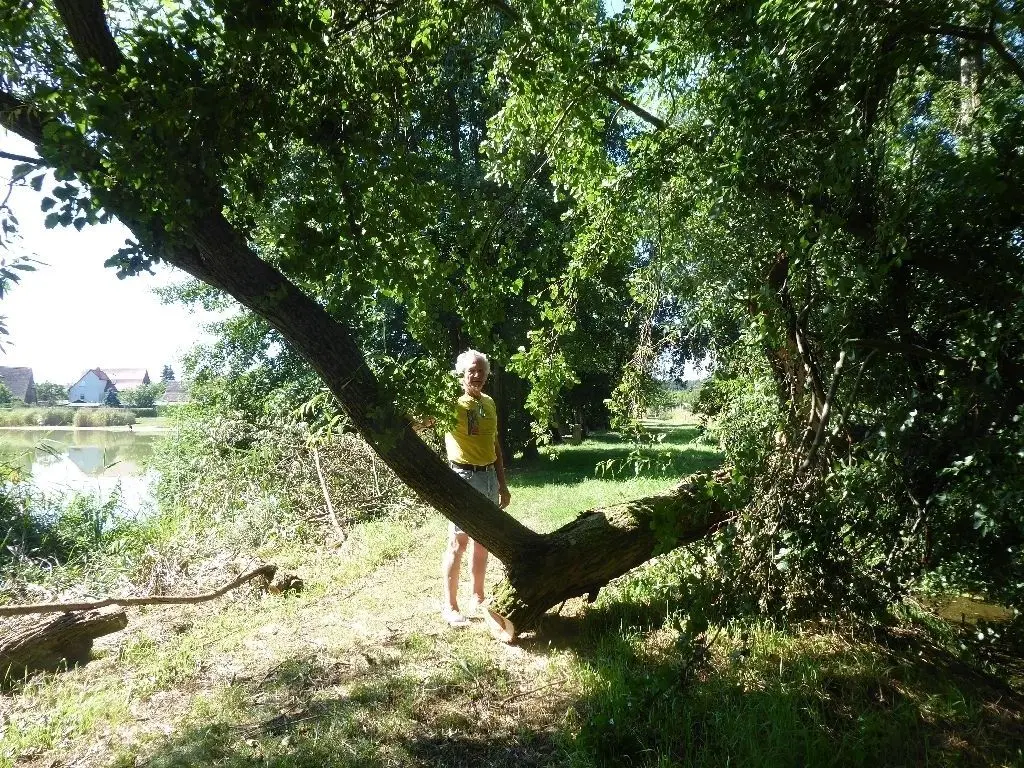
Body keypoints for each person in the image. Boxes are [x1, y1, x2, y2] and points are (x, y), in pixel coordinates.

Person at [441, 349, 511, 627]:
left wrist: (502, 485)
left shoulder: (489, 403)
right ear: (462, 373)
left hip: (489, 477)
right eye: (472, 370)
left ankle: (478, 596)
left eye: (481, 370)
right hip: (463, 478)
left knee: (484, 541)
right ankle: (450, 606)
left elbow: (495, 446)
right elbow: (420, 423)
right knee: (458, 543)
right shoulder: (450, 404)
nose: (477, 375)